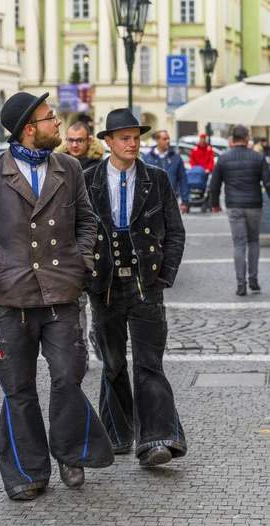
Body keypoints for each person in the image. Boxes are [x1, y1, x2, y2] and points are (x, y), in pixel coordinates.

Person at [0, 92, 114, 501]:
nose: (58, 124)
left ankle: (70, 452)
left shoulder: (69, 167)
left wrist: (81, 261)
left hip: (63, 292)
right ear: (29, 128)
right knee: (18, 386)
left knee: (68, 376)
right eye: (50, 118)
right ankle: (27, 472)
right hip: (12, 298)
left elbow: (87, 221)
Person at [84, 108, 187, 467]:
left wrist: (163, 277)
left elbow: (175, 232)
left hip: (146, 286)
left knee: (149, 363)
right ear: (108, 141)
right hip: (105, 287)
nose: (133, 143)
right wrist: (87, 278)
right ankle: (116, 432)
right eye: (124, 138)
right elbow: (75, 234)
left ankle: (157, 439)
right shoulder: (88, 179)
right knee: (112, 364)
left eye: (136, 137)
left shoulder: (156, 178)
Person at [56, 121, 104, 362]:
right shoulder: (58, 165)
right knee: (77, 301)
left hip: (97, 241)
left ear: (89, 141)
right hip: (69, 243)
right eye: (71, 140)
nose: (74, 145)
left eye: (80, 140)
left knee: (100, 302)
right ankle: (80, 350)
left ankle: (98, 340)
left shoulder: (99, 167)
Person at [210, 124, 270, 296]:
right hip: (254, 205)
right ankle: (253, 280)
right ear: (246, 137)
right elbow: (267, 183)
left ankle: (241, 284)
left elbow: (215, 184)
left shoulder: (223, 158)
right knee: (253, 241)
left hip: (234, 206)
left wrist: (215, 203)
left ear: (232, 139)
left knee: (239, 244)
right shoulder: (258, 157)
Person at [143, 130, 189, 214]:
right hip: (152, 202)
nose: (168, 141)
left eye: (168, 138)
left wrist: (185, 201)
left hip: (171, 200)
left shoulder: (176, 158)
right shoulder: (147, 159)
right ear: (157, 141)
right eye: (164, 139)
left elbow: (183, 179)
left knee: (171, 226)